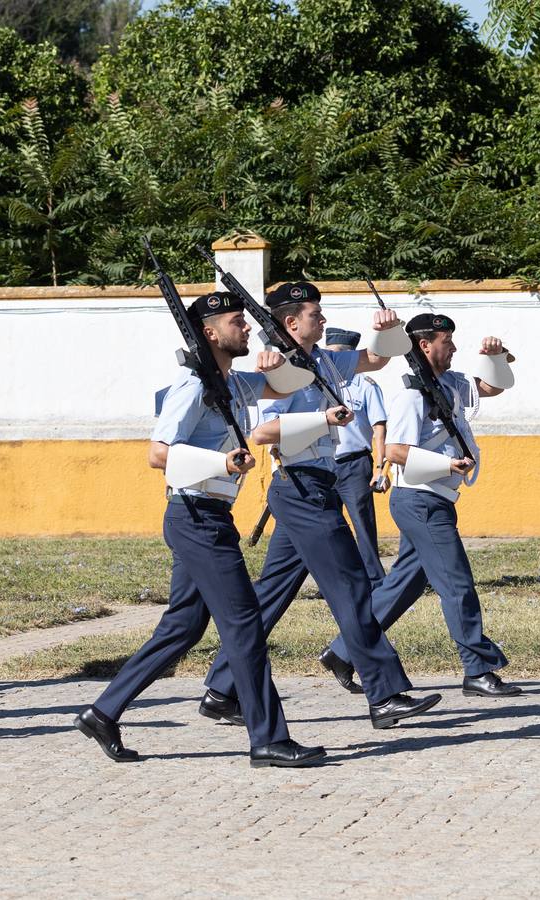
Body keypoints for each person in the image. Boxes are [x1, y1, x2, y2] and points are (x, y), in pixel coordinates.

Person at [75, 291, 327, 768]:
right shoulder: (191, 385)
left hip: (207, 515)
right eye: (238, 322)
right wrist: (222, 460)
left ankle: (103, 711)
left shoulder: (233, 381)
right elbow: (157, 454)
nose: (247, 328)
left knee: (184, 626)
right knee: (244, 624)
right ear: (210, 333)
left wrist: (277, 360)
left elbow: (294, 384)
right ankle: (268, 739)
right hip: (196, 517)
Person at [198, 284, 441, 731]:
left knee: (271, 593)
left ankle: (220, 688)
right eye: (315, 314)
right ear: (292, 324)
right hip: (303, 488)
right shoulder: (283, 367)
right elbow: (263, 433)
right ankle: (384, 693)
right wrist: (323, 419)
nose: (323, 320)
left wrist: (387, 332)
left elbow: (375, 359)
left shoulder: (325, 358)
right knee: (350, 587)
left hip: (312, 488)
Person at [325, 313, 523, 699]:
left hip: (435, 499)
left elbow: (492, 388)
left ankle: (342, 651)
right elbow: (395, 451)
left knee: (403, 584)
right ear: (424, 345)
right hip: (420, 501)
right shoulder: (411, 396)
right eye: (445, 341)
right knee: (457, 583)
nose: (452, 347)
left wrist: (497, 357)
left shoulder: (450, 383)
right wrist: (447, 465)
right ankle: (477, 669)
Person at [324, 327, 389, 589]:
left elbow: (379, 429)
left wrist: (380, 468)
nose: (330, 361)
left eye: (336, 356)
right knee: (328, 527)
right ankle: (336, 580)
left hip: (355, 464)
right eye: (328, 355)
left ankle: (375, 581)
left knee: (362, 524)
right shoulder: (320, 384)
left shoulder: (366, 385)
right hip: (325, 464)